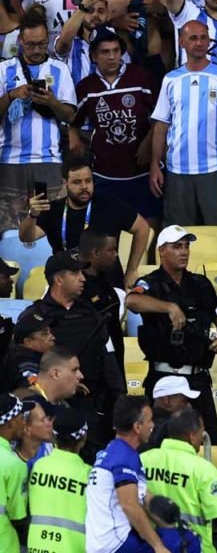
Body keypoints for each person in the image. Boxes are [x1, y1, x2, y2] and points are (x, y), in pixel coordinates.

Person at [126, 225, 217, 442]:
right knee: (158, 439)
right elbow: (132, 300)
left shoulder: (201, 284)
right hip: (164, 377)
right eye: (177, 247)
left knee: (207, 436)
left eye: (186, 246)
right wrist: (169, 307)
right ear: (161, 251)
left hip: (198, 377)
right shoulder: (150, 283)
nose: (184, 252)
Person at [21, 252, 122, 451]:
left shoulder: (92, 314)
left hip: (92, 407)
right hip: (50, 410)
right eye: (75, 273)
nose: (83, 278)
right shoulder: (35, 317)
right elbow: (22, 361)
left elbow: (109, 357)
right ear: (59, 279)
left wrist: (119, 397)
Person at [149, 20, 217, 226]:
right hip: (177, 171)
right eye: (193, 38)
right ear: (182, 42)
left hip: (215, 168)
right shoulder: (170, 79)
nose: (199, 42)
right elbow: (161, 126)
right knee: (180, 234)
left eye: (203, 37)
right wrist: (155, 165)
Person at [69, 29, 162, 228]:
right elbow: (72, 119)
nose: (112, 57)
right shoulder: (86, 87)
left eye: (116, 50)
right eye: (105, 52)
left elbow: (162, 116)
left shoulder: (141, 77)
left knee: (150, 223)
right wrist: (73, 134)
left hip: (142, 171)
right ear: (94, 56)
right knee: (109, 228)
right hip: (106, 175)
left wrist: (148, 142)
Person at [21, 157, 150, 289]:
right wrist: (32, 215)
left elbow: (142, 228)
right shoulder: (54, 210)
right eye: (77, 182)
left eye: (88, 181)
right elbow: (26, 237)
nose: (84, 187)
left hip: (107, 286)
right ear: (65, 183)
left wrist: (132, 269)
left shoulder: (111, 205)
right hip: (67, 287)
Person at [141, 409, 217, 553]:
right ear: (192, 436)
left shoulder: (143, 460)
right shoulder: (202, 469)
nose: (202, 437)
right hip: (194, 547)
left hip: (152, 547)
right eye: (202, 431)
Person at [0, 5, 77, 206]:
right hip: (10, 161)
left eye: (42, 44)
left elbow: (70, 117)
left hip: (47, 161)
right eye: (30, 45)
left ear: (49, 40)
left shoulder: (60, 69)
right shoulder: (4, 69)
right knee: (10, 225)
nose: (36, 50)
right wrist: (11, 95)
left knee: (45, 226)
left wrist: (52, 102)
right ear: (20, 41)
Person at [85, 395, 173, 553]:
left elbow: (145, 498)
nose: (152, 425)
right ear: (137, 427)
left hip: (103, 543)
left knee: (176, 535)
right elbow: (129, 504)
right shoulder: (123, 457)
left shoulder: (114, 451)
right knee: (185, 541)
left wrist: (172, 525)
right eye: (149, 421)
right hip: (117, 544)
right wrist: (158, 546)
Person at [26, 408, 91, 552]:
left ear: (54, 437)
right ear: (83, 438)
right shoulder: (88, 475)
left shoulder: (39, 466)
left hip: (36, 547)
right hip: (73, 548)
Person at [77, 231, 125, 368]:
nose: (116, 255)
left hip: (115, 365)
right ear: (96, 253)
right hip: (93, 369)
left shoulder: (106, 284)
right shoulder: (80, 290)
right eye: (111, 250)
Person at [0, 394, 29, 552]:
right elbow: (18, 516)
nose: (24, 422)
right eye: (21, 417)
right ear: (10, 423)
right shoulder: (13, 464)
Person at [22, 346, 84, 416]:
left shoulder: (65, 407)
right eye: (74, 370)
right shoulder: (25, 406)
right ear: (56, 374)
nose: (81, 376)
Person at [1, 309, 54, 392]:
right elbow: (37, 391)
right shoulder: (26, 364)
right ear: (28, 342)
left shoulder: (30, 357)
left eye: (50, 332)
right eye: (45, 334)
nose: (52, 337)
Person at [146, 375, 199, 450]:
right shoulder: (171, 428)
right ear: (167, 400)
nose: (189, 405)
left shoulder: (143, 422)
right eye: (184, 401)